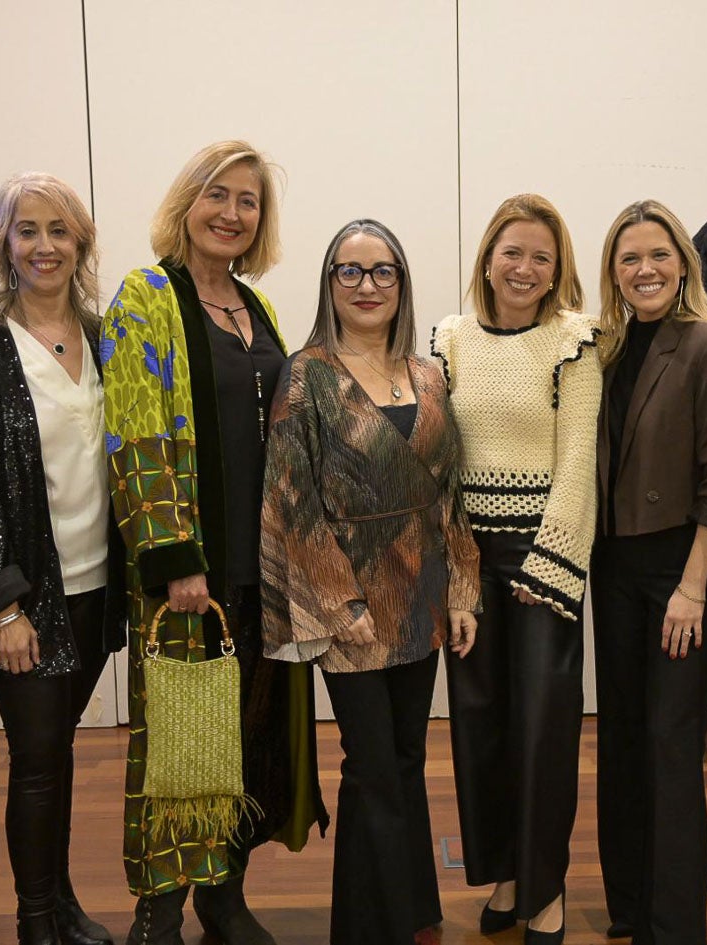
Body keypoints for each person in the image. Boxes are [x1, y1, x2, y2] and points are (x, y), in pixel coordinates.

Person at [101, 140, 326, 945]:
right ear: (186, 202)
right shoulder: (146, 297)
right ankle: (158, 908)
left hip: (259, 569)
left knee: (241, 738)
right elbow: (135, 432)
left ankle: (222, 896)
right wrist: (173, 558)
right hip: (188, 567)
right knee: (178, 742)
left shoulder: (254, 308)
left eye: (249, 201)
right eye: (217, 195)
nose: (232, 213)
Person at [261, 219, 480, 945]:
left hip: (420, 592)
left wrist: (461, 590)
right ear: (328, 284)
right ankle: (367, 927)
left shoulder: (427, 374)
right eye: (348, 271)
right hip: (350, 597)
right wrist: (334, 599)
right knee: (372, 765)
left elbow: (448, 490)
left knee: (409, 757)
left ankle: (413, 906)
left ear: (401, 283)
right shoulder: (306, 373)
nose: (365, 285)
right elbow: (291, 498)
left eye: (381, 270)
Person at [0, 173, 126, 945]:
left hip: (94, 586)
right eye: (27, 230)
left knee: (57, 755)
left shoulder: (106, 335)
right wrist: (3, 606)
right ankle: (35, 921)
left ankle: (61, 904)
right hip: (26, 601)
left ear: (79, 242)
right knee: (38, 761)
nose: (44, 245)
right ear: (4, 244)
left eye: (59, 230)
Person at [433, 194, 601, 945]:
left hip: (543, 559)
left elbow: (576, 461)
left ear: (557, 267)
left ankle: (546, 888)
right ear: (488, 258)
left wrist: (549, 565)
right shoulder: (451, 338)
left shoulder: (574, 340)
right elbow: (438, 460)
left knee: (542, 727)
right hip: (469, 559)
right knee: (479, 724)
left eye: (541, 256)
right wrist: (455, 570)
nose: (525, 268)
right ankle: (505, 871)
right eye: (512, 252)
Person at [590, 200, 707, 943]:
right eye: (628, 258)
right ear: (612, 272)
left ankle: (673, 924)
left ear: (682, 261)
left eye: (657, 255)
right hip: (611, 567)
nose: (643, 269)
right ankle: (628, 906)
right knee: (619, 738)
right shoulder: (605, 348)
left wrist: (691, 587)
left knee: (670, 744)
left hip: (679, 570)